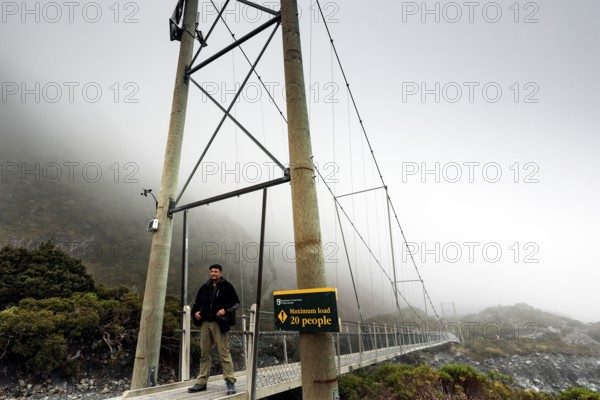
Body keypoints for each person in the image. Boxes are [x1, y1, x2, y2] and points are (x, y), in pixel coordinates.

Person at [188, 264, 240, 395]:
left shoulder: (227, 287)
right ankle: (201, 382)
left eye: (216, 271)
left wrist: (225, 310)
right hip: (205, 323)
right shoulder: (204, 287)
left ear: (220, 273)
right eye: (211, 271)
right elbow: (197, 303)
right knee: (204, 353)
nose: (213, 273)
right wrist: (196, 313)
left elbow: (236, 303)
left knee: (224, 352)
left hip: (219, 323)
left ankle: (230, 382)